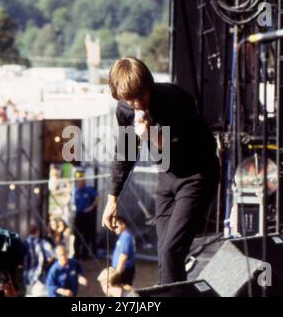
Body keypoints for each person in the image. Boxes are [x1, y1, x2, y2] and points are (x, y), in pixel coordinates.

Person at [102, 57, 220, 285]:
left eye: (141, 95)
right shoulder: (125, 109)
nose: (136, 103)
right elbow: (125, 152)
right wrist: (112, 198)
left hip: (197, 174)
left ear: (150, 86)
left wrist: (150, 134)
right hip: (167, 178)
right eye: (129, 99)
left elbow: (185, 150)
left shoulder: (174, 99)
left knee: (171, 250)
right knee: (164, 253)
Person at [73, 169, 100, 259]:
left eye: (82, 181)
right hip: (78, 214)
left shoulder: (88, 190)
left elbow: (98, 197)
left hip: (86, 214)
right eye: (79, 181)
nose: (80, 183)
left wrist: (91, 207)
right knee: (77, 235)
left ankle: (85, 254)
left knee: (86, 235)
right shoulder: (76, 191)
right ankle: (76, 254)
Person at [23, 224, 55, 296]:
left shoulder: (24, 243)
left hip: (27, 277)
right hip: (40, 276)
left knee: (29, 294)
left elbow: (20, 262)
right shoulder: (42, 243)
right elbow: (53, 254)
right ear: (37, 232)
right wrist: (46, 263)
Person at [111, 216, 136, 286]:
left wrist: (117, 273)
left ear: (123, 225)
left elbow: (124, 255)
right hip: (123, 270)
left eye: (116, 226)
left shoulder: (125, 236)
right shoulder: (123, 236)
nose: (114, 229)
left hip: (124, 270)